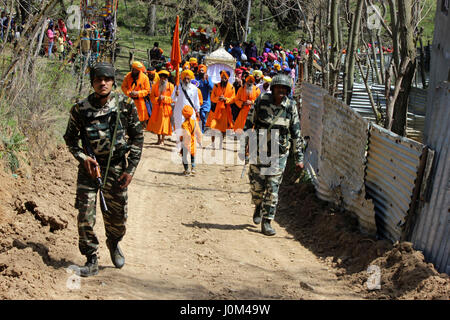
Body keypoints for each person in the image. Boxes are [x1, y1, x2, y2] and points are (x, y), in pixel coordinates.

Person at [63, 62, 144, 276]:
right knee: (85, 215)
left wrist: (131, 169)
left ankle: (114, 242)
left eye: (107, 79)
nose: (102, 83)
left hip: (116, 168)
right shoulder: (80, 109)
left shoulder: (125, 105)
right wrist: (83, 158)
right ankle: (91, 258)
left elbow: (137, 137)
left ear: (113, 81)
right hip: (90, 170)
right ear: (92, 83)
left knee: (117, 218)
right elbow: (70, 139)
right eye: (98, 79)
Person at [243, 73, 304, 236]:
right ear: (273, 88)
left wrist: (299, 158)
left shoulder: (290, 106)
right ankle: (258, 205)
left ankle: (267, 221)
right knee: (257, 187)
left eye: (284, 89)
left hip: (279, 153)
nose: (281, 91)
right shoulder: (261, 100)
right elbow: (249, 122)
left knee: (273, 187)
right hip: (259, 149)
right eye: (278, 88)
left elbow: (296, 133)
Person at [205, 70, 236, 149]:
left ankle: (220, 144)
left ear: (228, 78)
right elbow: (212, 98)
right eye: (222, 77)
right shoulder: (216, 86)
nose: (223, 79)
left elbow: (233, 99)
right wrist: (218, 99)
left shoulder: (231, 87)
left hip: (225, 111)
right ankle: (212, 143)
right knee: (213, 127)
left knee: (223, 129)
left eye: (225, 78)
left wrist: (225, 99)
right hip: (216, 110)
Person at [147, 70, 174, 145]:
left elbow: (173, 99)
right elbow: (152, 97)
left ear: (166, 78)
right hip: (157, 107)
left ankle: (162, 140)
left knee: (164, 124)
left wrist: (164, 98)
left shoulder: (170, 86)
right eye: (161, 78)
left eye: (164, 78)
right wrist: (157, 99)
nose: (162, 79)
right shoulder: (155, 85)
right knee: (157, 124)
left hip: (166, 108)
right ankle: (158, 139)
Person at [172, 69, 201, 139]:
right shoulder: (177, 87)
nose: (186, 80)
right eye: (185, 78)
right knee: (180, 130)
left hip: (190, 113)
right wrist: (176, 94)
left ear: (190, 79)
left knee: (189, 129)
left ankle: (187, 145)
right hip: (179, 113)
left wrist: (198, 111)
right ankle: (181, 145)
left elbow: (196, 101)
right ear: (182, 78)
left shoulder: (194, 88)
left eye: (188, 79)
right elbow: (172, 99)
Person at [121, 61, 151, 126]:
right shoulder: (128, 76)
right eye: (134, 69)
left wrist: (138, 93)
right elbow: (123, 87)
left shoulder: (145, 78)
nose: (135, 71)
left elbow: (147, 90)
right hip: (129, 100)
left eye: (136, 70)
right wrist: (129, 93)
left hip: (140, 101)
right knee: (128, 116)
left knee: (141, 118)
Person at [180, 105, 202, 175]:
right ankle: (193, 168)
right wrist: (199, 140)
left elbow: (184, 134)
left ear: (183, 114)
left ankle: (186, 170)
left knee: (184, 156)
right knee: (192, 154)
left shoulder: (184, 124)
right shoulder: (195, 122)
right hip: (193, 140)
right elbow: (198, 132)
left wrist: (181, 139)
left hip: (186, 142)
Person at [196, 64, 213, 133]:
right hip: (197, 100)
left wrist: (207, 81)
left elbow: (211, 88)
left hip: (205, 101)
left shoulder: (208, 78)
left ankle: (202, 130)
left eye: (202, 70)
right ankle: (197, 130)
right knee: (197, 116)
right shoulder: (196, 78)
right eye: (200, 70)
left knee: (203, 115)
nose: (201, 71)